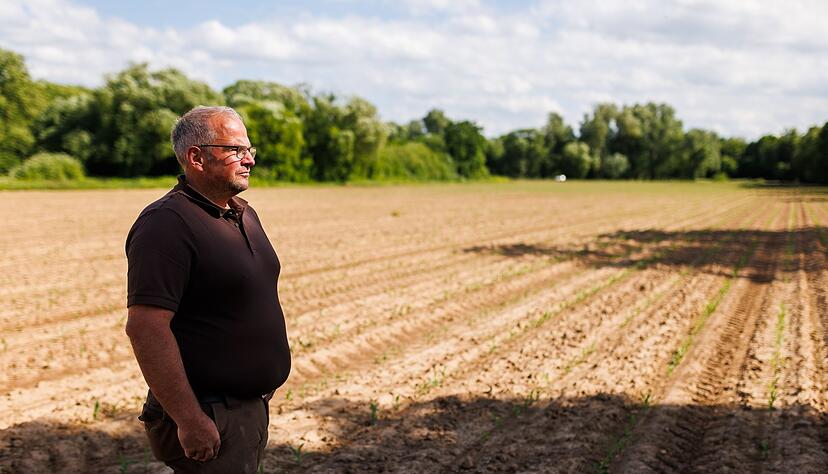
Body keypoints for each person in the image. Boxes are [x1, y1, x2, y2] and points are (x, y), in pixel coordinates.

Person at [125, 106, 291, 473]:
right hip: (209, 412)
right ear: (196, 157)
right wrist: (188, 419)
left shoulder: (242, 211)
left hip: (246, 408)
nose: (249, 160)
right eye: (235, 150)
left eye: (250, 150)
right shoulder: (166, 224)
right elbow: (146, 328)